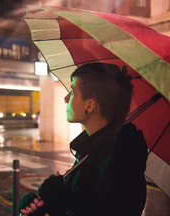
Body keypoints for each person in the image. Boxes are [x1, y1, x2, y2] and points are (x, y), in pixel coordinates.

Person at [18, 63, 148, 216]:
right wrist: (43, 208)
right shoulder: (90, 152)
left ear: (90, 105)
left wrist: (62, 205)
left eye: (72, 92)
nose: (66, 98)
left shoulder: (123, 165)